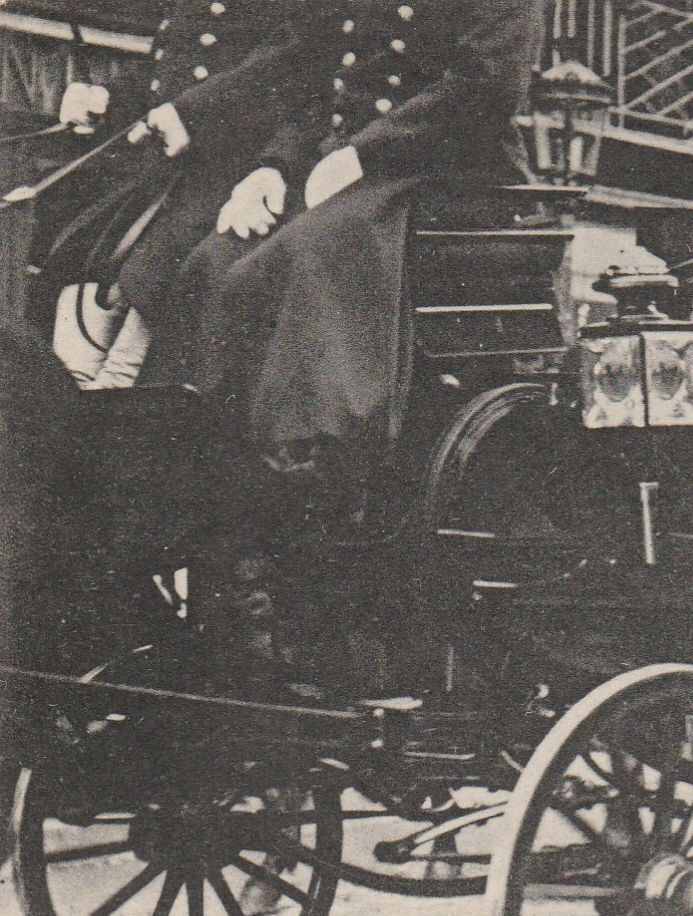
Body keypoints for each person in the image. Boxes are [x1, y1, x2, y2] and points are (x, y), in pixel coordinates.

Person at [176, 0, 541, 688]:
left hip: (444, 175)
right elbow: (316, 82)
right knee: (216, 261)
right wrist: (270, 166)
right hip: (340, 172)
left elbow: (484, 90)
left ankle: (310, 457)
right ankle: (214, 463)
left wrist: (363, 153)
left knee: (307, 257)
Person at [32, 1, 338, 389]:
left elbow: (305, 79)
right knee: (77, 238)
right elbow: (178, 68)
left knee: (167, 268)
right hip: (184, 159)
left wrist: (268, 159)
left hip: (259, 167)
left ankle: (126, 385)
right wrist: (107, 97)